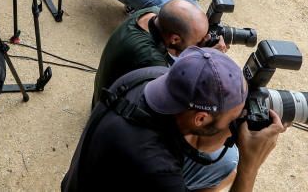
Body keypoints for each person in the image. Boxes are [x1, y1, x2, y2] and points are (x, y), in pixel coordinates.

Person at [63, 46, 285, 192]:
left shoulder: (152, 76)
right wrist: (250, 165)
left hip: (85, 179)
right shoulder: (156, 167)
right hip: (122, 172)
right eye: (233, 119)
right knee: (232, 164)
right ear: (200, 118)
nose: (236, 124)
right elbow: (156, 163)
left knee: (224, 162)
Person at [92, 0, 213, 106]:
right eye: (198, 42)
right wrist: (207, 58)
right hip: (107, 111)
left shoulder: (152, 14)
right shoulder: (151, 59)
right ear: (174, 39)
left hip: (104, 91)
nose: (200, 44)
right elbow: (176, 96)